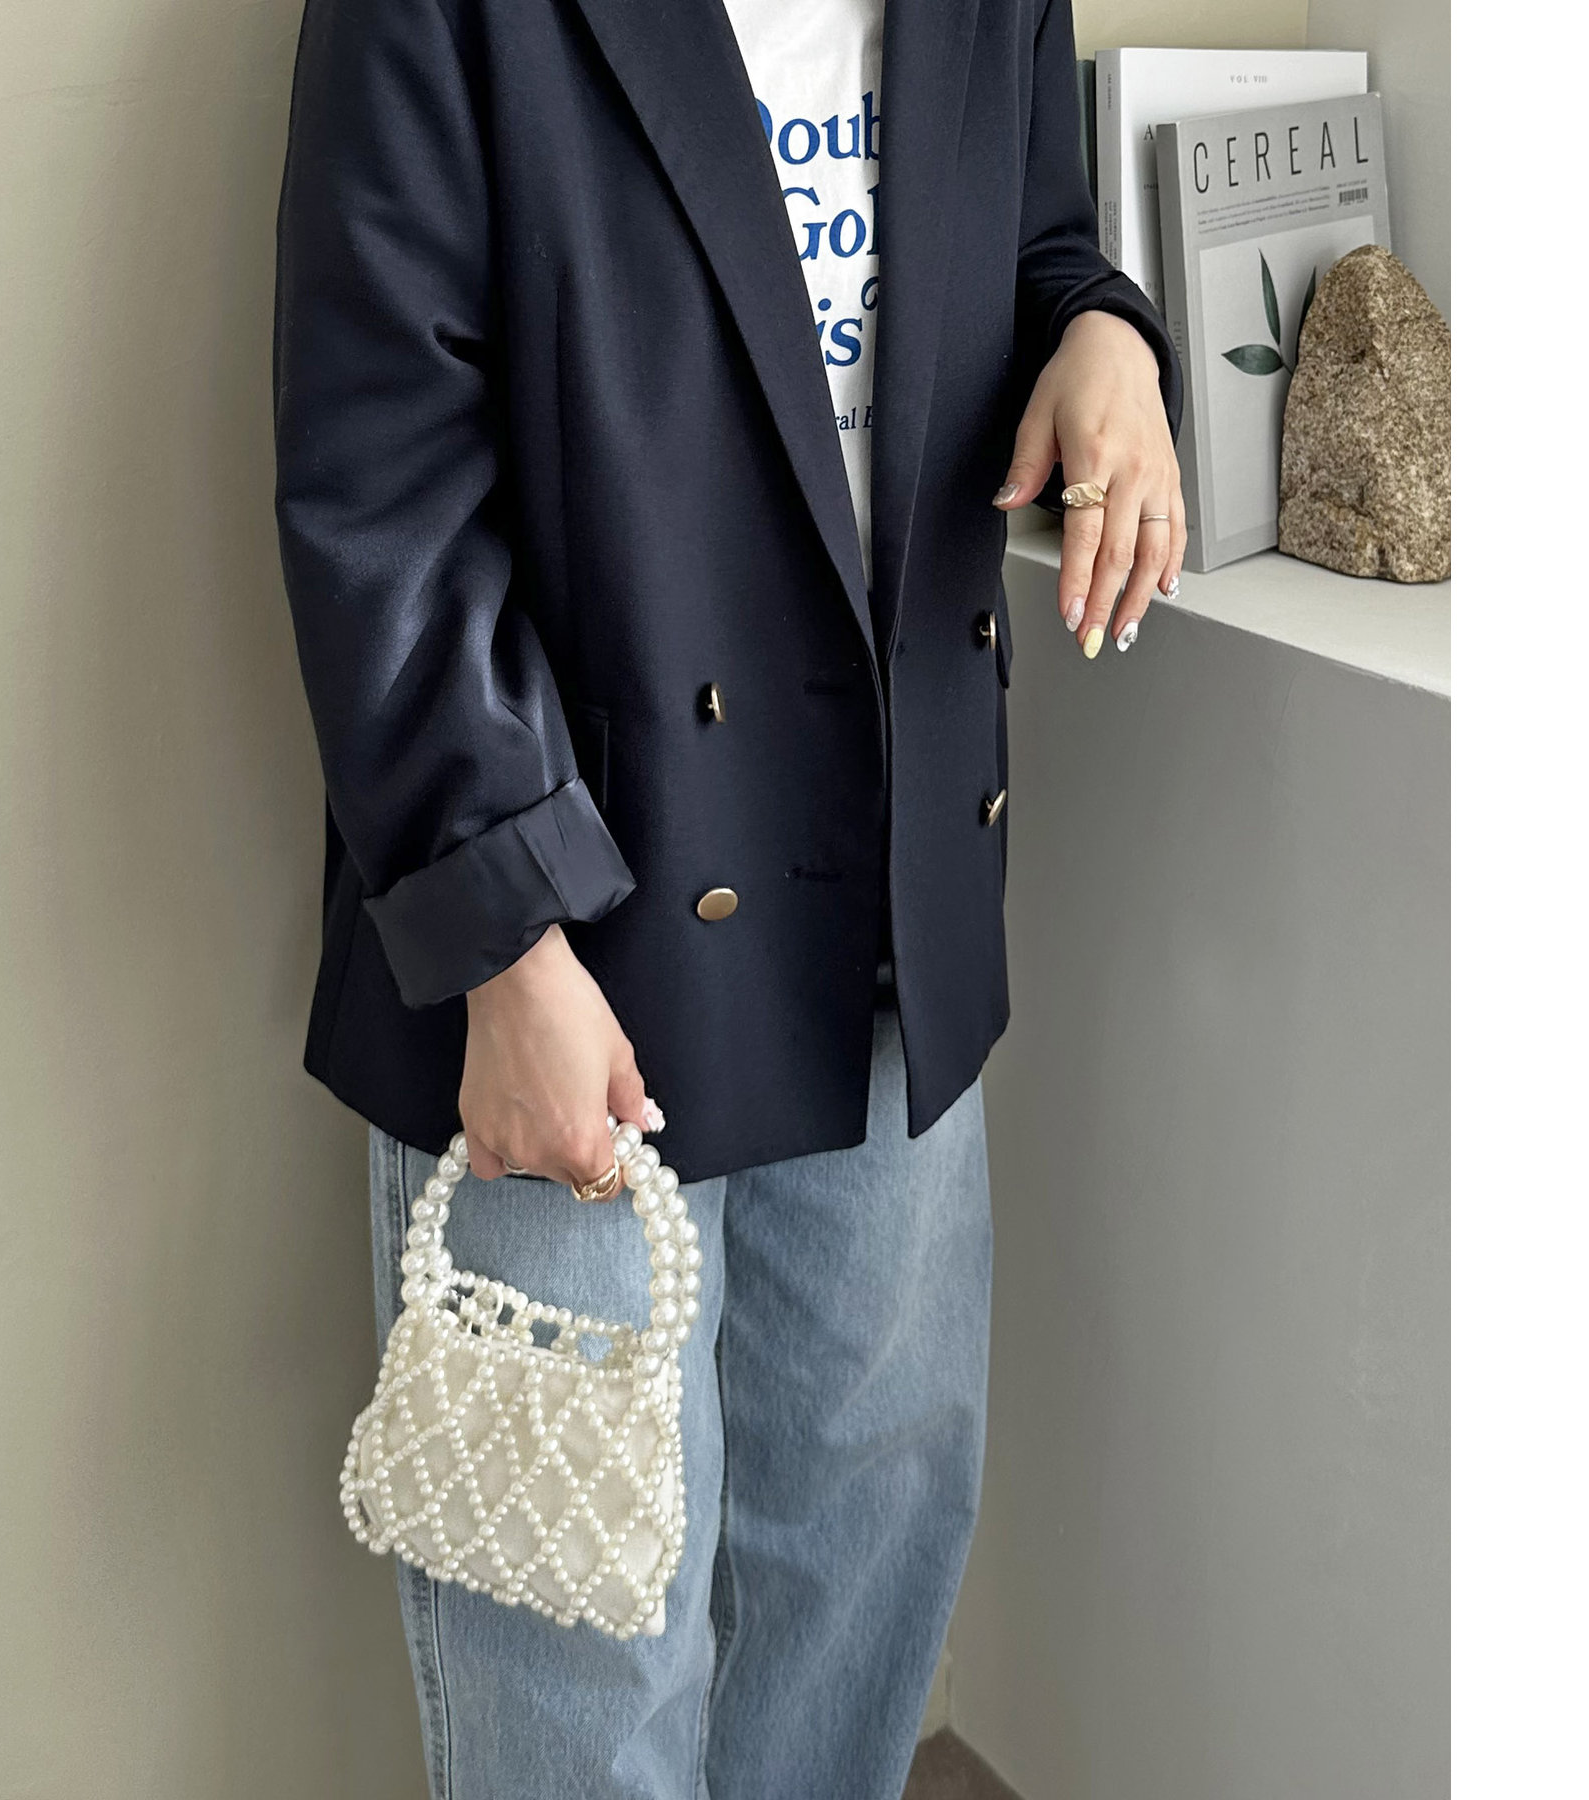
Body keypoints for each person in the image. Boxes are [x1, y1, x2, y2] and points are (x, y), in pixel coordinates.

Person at [273, 0, 1183, 1791]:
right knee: (580, 1662)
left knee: (868, 1553)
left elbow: (1026, 246)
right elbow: (379, 478)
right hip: (573, 937)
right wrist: (503, 937)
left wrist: (1107, 334)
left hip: (890, 910)